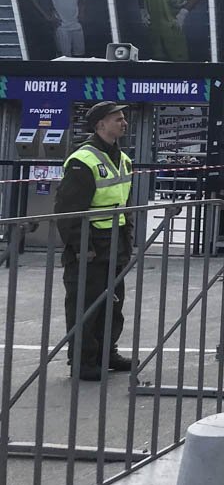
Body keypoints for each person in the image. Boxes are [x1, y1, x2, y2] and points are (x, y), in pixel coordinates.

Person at [54, 102, 134, 380]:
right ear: (100, 124)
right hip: (92, 243)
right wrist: (82, 247)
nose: (124, 123)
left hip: (116, 241)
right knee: (85, 302)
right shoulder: (83, 159)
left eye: (123, 119)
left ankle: (106, 352)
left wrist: (128, 240)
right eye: (117, 119)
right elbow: (68, 211)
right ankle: (83, 360)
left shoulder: (121, 158)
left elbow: (125, 205)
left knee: (113, 301)